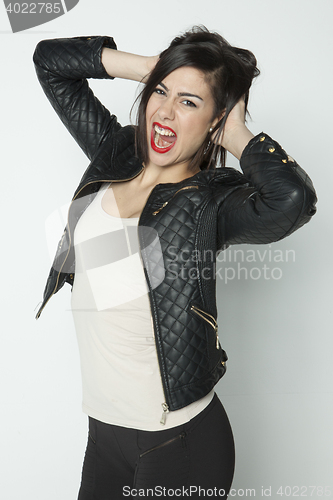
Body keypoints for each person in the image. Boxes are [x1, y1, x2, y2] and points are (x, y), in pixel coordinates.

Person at [33, 26, 317, 499]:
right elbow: (50, 63)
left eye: (189, 102)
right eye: (160, 94)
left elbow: (292, 200)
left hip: (179, 441)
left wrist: (240, 132)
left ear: (214, 121)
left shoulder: (211, 202)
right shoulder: (117, 150)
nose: (164, 110)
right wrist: (153, 69)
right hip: (104, 433)